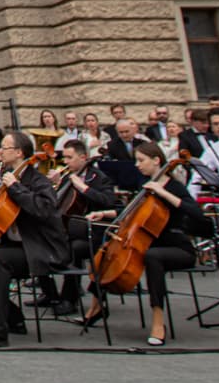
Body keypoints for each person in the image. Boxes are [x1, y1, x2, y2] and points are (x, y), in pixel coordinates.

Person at [82, 141, 212, 346]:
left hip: (177, 248)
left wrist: (163, 193)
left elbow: (198, 214)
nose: (137, 165)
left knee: (152, 257)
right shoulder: (145, 185)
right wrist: (104, 213)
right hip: (149, 243)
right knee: (107, 250)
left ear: (156, 160)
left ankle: (158, 321)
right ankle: (97, 305)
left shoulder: (174, 187)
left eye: (141, 160)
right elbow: (129, 211)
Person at [0, 131, 70, 349]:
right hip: (19, 247)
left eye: (5, 147)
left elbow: (44, 209)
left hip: (42, 249)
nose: (0, 151)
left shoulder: (37, 180)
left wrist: (15, 187)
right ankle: (13, 318)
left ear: (20, 152)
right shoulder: (12, 175)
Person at [43, 137, 116, 316]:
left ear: (83, 157)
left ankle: (69, 299)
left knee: (74, 248)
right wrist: (56, 184)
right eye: (65, 158)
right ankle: (50, 294)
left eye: (69, 158)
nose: (65, 162)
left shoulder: (98, 177)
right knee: (38, 243)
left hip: (95, 231)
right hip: (71, 229)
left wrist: (83, 188)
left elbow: (108, 202)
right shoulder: (69, 176)